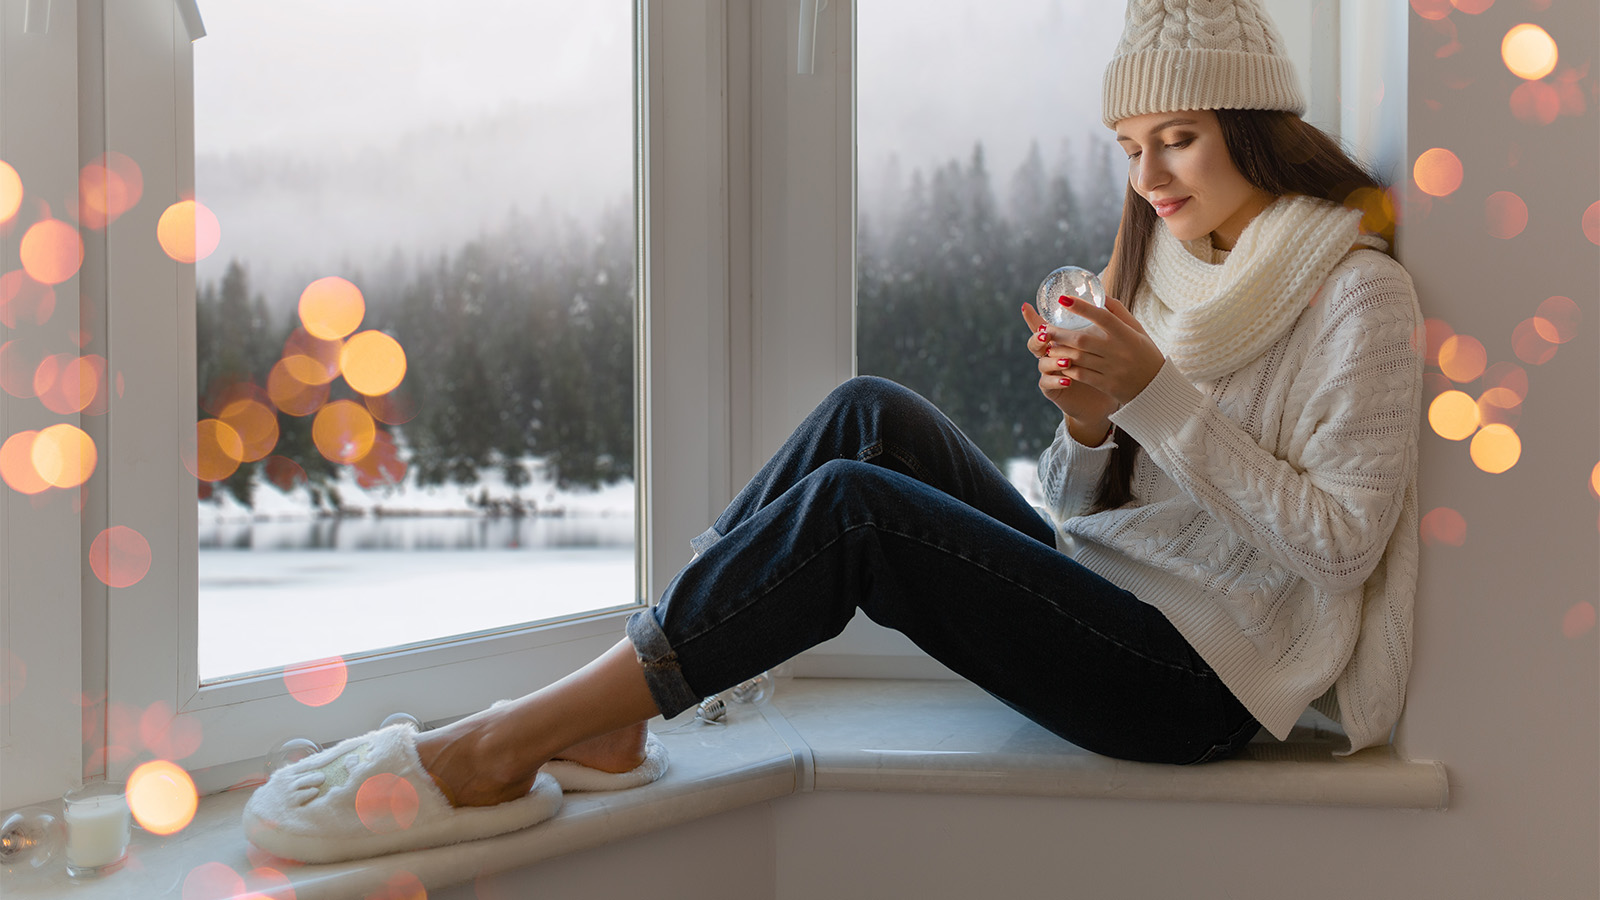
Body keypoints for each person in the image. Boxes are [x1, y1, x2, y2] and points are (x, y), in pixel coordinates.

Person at [243, 0, 1421, 862]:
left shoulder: (1356, 293)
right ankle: (615, 705)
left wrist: (1158, 398)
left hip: (1196, 684)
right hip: (1120, 597)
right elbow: (1099, 512)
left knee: (855, 514)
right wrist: (1090, 427)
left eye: (1178, 136)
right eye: (1129, 147)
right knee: (870, 412)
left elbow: (1340, 545)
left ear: (1253, 125)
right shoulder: (1178, 264)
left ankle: (512, 738)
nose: (1149, 175)